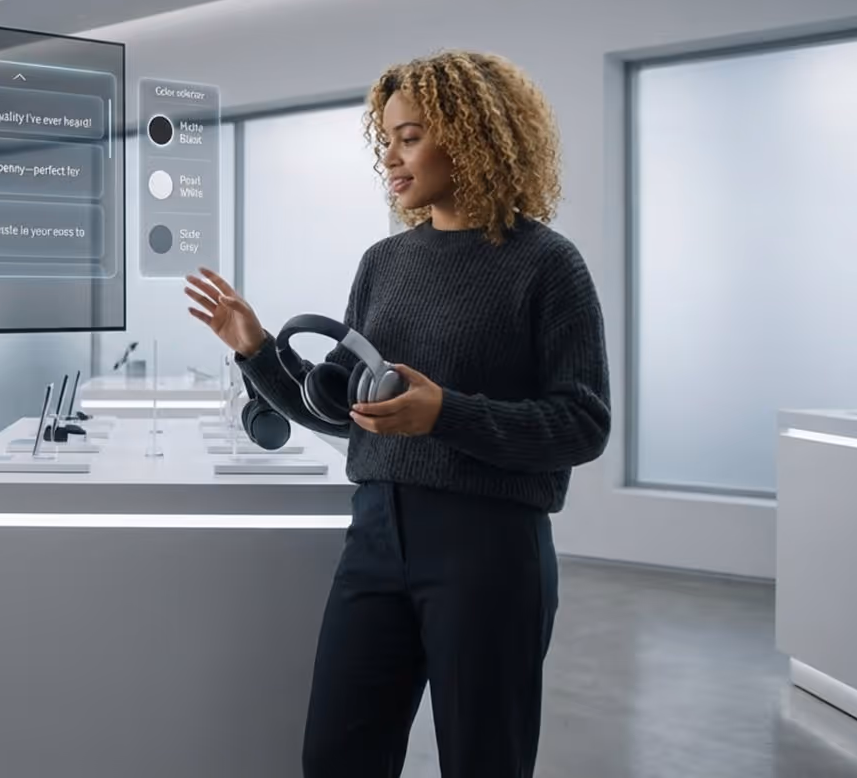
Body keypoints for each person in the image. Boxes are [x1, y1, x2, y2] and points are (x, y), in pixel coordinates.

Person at [185, 50, 610, 778]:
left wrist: (446, 412)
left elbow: (581, 424)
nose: (390, 155)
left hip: (490, 550)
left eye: (410, 136)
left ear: (473, 135)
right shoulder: (384, 262)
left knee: (485, 761)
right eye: (386, 138)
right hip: (376, 537)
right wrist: (256, 351)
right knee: (336, 757)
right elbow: (344, 411)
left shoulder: (548, 264)